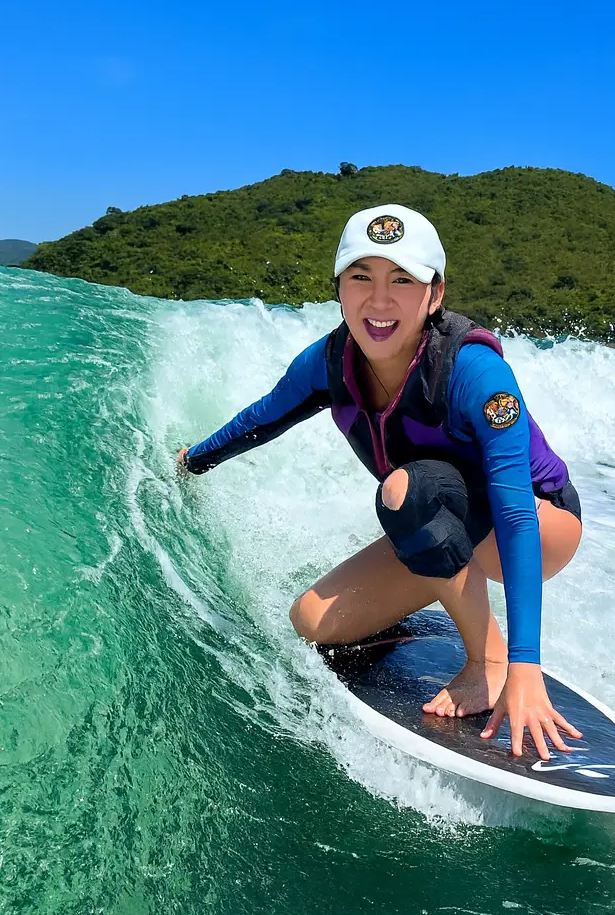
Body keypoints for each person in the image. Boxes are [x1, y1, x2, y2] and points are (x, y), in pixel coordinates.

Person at [177, 204, 583, 759]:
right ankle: (452, 598)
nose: (380, 299)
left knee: (407, 493)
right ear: (339, 288)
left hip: (538, 522)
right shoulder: (329, 362)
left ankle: (488, 661)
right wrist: (193, 462)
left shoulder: (475, 372)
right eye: (361, 277)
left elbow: (514, 513)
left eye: (403, 280)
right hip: (437, 518)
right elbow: (263, 417)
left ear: (435, 295)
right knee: (312, 622)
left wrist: (525, 665)